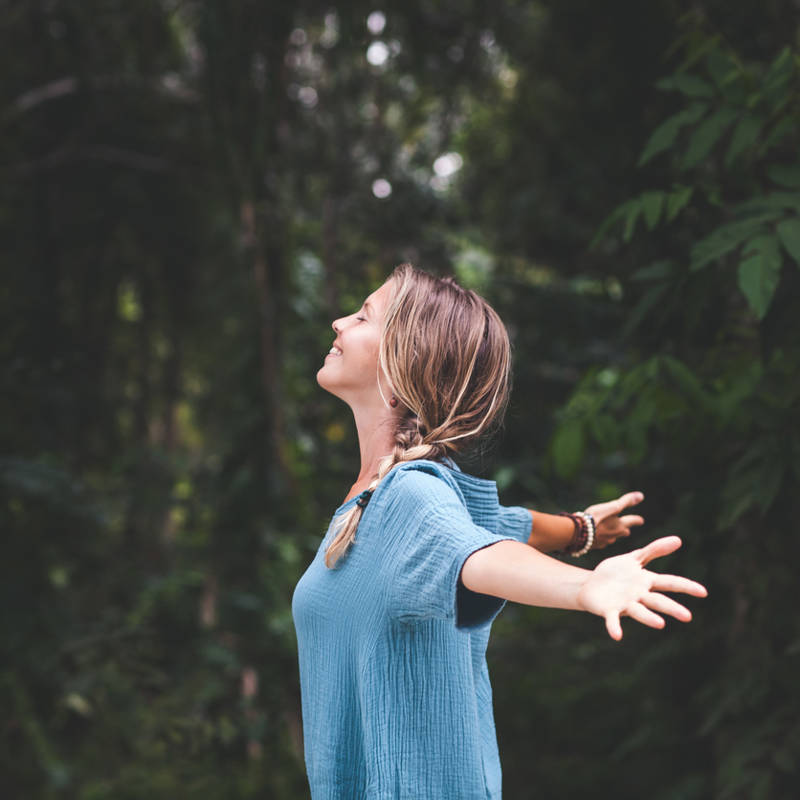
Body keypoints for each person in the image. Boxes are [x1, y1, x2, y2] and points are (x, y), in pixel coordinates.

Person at [291, 264, 707, 800]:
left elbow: (482, 555)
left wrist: (582, 588)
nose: (338, 323)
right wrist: (579, 530)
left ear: (399, 370)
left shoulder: (410, 497)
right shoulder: (377, 499)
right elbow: (498, 525)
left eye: (362, 315)